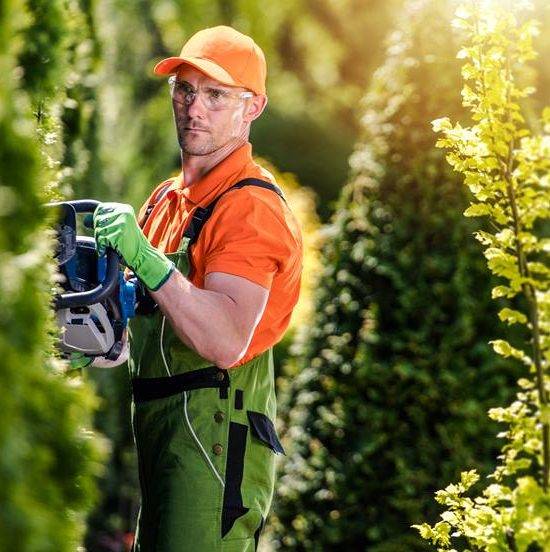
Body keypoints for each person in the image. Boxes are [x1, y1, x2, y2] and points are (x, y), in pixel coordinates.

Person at [91, 25, 303, 551]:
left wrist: (144, 256)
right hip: (161, 429)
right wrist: (85, 336)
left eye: (215, 95)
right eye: (185, 90)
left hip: (215, 440)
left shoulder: (250, 208)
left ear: (252, 107)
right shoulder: (167, 199)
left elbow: (225, 338)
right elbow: (140, 326)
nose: (194, 108)